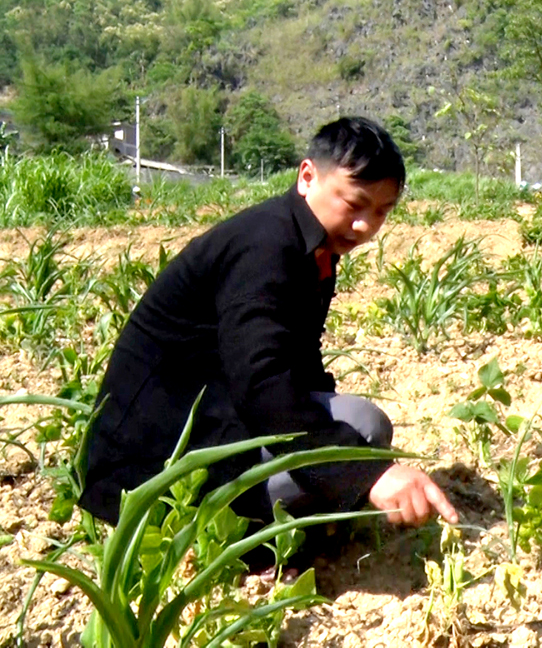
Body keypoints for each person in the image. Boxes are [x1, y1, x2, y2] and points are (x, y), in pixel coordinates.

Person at [80, 117, 458, 534]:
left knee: (361, 430)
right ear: (308, 177)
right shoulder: (263, 247)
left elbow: (296, 362)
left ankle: (292, 533)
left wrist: (351, 464)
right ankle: (242, 539)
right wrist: (365, 473)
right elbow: (262, 383)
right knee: (362, 431)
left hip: (212, 416)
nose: (365, 225)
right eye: (353, 204)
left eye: (382, 211)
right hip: (150, 468)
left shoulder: (310, 246)